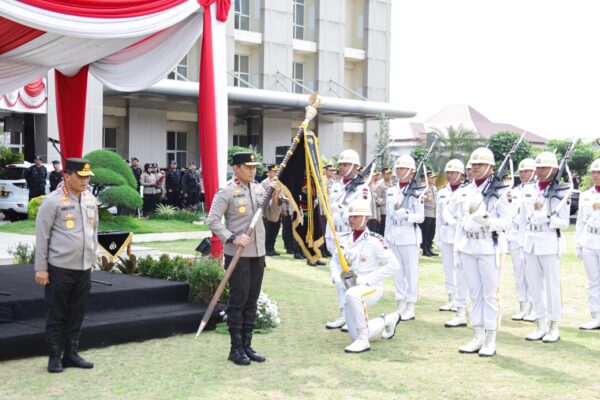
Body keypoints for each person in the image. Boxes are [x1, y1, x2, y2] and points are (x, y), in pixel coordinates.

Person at [207, 152, 282, 366]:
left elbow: (273, 216)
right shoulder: (227, 191)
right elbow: (212, 220)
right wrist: (231, 237)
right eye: (248, 167)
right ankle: (235, 348)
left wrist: (276, 198)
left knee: (252, 301)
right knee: (238, 302)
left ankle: (248, 345)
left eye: (254, 167)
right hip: (238, 256)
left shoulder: (260, 189)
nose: (252, 170)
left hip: (258, 254)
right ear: (236, 168)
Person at [34, 158, 98, 373]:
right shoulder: (52, 201)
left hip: (83, 268)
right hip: (59, 268)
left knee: (77, 313)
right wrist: (40, 268)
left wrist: (92, 259)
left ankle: (71, 354)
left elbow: (93, 232)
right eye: (81, 177)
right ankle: (54, 357)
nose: (85, 181)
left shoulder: (90, 199)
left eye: (88, 177)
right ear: (67, 176)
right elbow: (42, 237)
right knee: (57, 314)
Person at [454, 148, 511, 357]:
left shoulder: (502, 191)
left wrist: (488, 222)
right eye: (473, 165)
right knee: (474, 294)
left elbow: (508, 222)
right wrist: (457, 251)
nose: (475, 168)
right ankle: (477, 335)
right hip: (468, 246)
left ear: (490, 167)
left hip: (489, 247)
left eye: (480, 165)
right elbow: (461, 222)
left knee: (490, 295)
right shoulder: (467, 190)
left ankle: (490, 338)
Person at [329, 198, 401, 353]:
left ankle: (363, 341)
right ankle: (389, 319)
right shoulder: (344, 239)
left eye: (356, 216)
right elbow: (334, 261)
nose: (352, 219)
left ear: (366, 218)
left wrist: (368, 280)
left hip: (371, 288)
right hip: (350, 290)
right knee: (353, 334)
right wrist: (336, 278)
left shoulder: (375, 240)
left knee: (354, 294)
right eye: (350, 216)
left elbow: (394, 265)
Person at [521, 152, 570, 343]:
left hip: (549, 241)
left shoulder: (561, 190)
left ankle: (554, 326)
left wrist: (549, 219)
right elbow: (524, 218)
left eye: (543, 168)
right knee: (534, 286)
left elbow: (564, 223)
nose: (539, 171)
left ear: (554, 170)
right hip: (531, 242)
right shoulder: (529, 188)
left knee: (552, 287)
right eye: (538, 168)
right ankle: (540, 324)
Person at [324, 149, 372, 330]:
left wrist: (342, 213)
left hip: (352, 236)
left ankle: (354, 315)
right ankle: (344, 313)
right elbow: (330, 212)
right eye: (341, 165)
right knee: (339, 278)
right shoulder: (337, 185)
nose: (341, 167)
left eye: (345, 164)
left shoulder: (362, 188)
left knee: (354, 277)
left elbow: (362, 213)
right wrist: (329, 235)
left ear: (355, 166)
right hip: (337, 236)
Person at [385, 155, 425, 321]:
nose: (399, 171)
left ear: (411, 171)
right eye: (398, 168)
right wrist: (386, 236)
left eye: (403, 168)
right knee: (397, 271)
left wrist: (407, 214)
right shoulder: (391, 190)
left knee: (411, 272)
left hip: (409, 235)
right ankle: (400, 301)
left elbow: (421, 217)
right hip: (393, 235)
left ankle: (410, 304)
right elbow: (388, 216)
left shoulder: (417, 192)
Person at [435, 160, 465, 318]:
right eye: (448, 172)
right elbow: (439, 217)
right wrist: (437, 237)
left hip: (460, 234)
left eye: (453, 172)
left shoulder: (467, 191)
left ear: (461, 174)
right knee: (448, 268)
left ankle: (460, 300)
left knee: (459, 269)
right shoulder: (441, 192)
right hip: (446, 233)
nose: (450, 175)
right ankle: (451, 298)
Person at [507, 158, 536, 321]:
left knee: (531, 273)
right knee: (518, 273)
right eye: (521, 171)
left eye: (527, 171)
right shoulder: (515, 190)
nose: (523, 174)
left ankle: (533, 307)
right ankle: (522, 306)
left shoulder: (537, 190)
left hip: (529, 236)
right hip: (515, 236)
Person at [575, 158, 600, 330]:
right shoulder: (585, 195)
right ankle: (596, 315)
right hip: (589, 242)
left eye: (599, 172)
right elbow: (580, 222)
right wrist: (578, 244)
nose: (596, 175)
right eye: (593, 172)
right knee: (593, 281)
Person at [262, 164, 281, 256]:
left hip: (276, 210)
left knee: (275, 230)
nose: (276, 173)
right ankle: (266, 249)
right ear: (268, 173)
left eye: (277, 171)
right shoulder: (264, 183)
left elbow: (282, 197)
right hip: (267, 211)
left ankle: (272, 248)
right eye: (274, 171)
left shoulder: (279, 182)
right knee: (267, 231)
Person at [420, 172, 438, 256]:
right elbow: (420, 198)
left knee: (431, 232)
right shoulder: (424, 187)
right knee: (425, 232)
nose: (433, 179)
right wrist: (425, 197)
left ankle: (429, 248)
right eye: (431, 177)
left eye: (434, 177)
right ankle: (425, 249)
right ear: (427, 178)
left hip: (433, 213)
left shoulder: (434, 188)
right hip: (426, 213)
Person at [375, 167, 394, 236]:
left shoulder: (393, 185)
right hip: (383, 212)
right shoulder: (380, 186)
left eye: (390, 173)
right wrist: (378, 215)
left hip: (391, 212)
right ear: (382, 175)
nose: (389, 175)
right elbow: (378, 201)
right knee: (382, 231)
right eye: (387, 174)